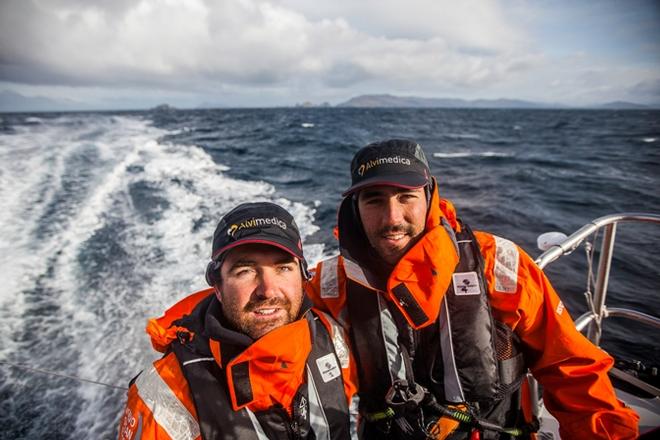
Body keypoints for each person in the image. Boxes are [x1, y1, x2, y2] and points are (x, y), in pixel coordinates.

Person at [306, 139, 639, 439]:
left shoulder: (498, 265)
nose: (392, 217)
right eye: (374, 200)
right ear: (355, 209)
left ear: (430, 198)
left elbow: (569, 368)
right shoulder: (332, 285)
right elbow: (301, 370)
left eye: (406, 197)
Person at [118, 202, 359, 440]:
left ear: (303, 277)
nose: (268, 290)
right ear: (218, 287)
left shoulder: (332, 336)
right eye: (245, 271)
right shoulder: (164, 395)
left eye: (283, 268)